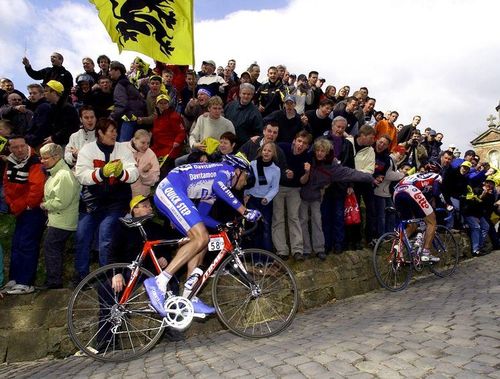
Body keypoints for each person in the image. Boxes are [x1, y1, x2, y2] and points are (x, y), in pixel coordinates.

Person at [143, 154, 262, 316]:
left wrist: (221, 226)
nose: (246, 181)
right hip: (170, 188)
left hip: (172, 191)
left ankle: (188, 297)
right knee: (201, 237)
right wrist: (244, 211)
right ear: (238, 171)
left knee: (202, 240)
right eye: (246, 176)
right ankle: (159, 282)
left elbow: (202, 215)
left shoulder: (212, 186)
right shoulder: (225, 170)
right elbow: (220, 187)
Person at [74, 118, 139, 284]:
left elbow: (134, 173)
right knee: (82, 237)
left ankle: (108, 278)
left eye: (116, 131)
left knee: (106, 238)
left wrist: (121, 174)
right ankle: (81, 277)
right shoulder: (87, 150)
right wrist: (101, 172)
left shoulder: (123, 149)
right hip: (91, 202)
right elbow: (81, 175)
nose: (115, 134)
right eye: (111, 131)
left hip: (116, 202)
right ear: (100, 133)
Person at [3, 136, 46, 294]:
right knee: (17, 244)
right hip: (18, 209)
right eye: (15, 147)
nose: (19, 150)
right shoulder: (10, 162)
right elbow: (6, 183)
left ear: (26, 145)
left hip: (32, 210)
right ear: (10, 148)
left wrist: (23, 204)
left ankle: (26, 282)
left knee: (28, 244)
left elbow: (36, 188)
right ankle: (14, 278)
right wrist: (11, 203)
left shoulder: (34, 161)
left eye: (22, 146)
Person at [39, 143, 80, 289]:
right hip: (59, 218)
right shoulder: (58, 172)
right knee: (52, 247)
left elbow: (61, 202)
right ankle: (53, 280)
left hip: (63, 220)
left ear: (56, 157)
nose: (42, 161)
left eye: (45, 158)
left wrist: (45, 205)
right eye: (41, 157)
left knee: (51, 247)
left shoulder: (63, 174)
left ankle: (54, 281)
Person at [393, 161, 449, 262]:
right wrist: (446, 205)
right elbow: (437, 192)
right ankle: (426, 252)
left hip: (397, 192)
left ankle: (399, 245)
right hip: (411, 191)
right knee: (432, 222)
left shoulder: (417, 175)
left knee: (412, 225)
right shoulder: (437, 176)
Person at [244, 142, 281, 251]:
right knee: (252, 227)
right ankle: (252, 255)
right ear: (261, 151)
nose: (266, 152)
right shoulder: (253, 164)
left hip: (265, 202)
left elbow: (275, 188)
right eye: (265, 150)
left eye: (269, 151)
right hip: (252, 200)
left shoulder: (276, 170)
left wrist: (267, 198)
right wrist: (246, 194)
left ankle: (266, 256)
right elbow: (247, 181)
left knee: (265, 228)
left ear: (273, 153)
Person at [108, 61, 147, 142]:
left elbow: (121, 105)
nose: (109, 72)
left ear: (117, 71)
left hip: (128, 119)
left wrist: (111, 118)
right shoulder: (129, 83)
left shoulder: (120, 85)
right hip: (137, 118)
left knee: (123, 146)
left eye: (111, 70)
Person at [127, 129, 160, 197]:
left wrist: (144, 173)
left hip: (141, 195)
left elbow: (155, 178)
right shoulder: (123, 148)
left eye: (148, 143)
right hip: (122, 193)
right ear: (135, 140)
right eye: (143, 142)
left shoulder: (151, 155)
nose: (146, 146)